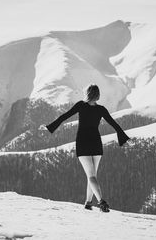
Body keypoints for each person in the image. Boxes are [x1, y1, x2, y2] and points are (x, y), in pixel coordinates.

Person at [41, 84, 132, 212]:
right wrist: (123, 138)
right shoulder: (101, 109)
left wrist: (50, 127)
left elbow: (64, 116)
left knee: (91, 176)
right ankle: (88, 203)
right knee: (92, 176)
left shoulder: (81, 105)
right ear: (98, 95)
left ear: (88, 93)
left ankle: (101, 201)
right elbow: (114, 124)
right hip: (96, 144)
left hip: (83, 143)